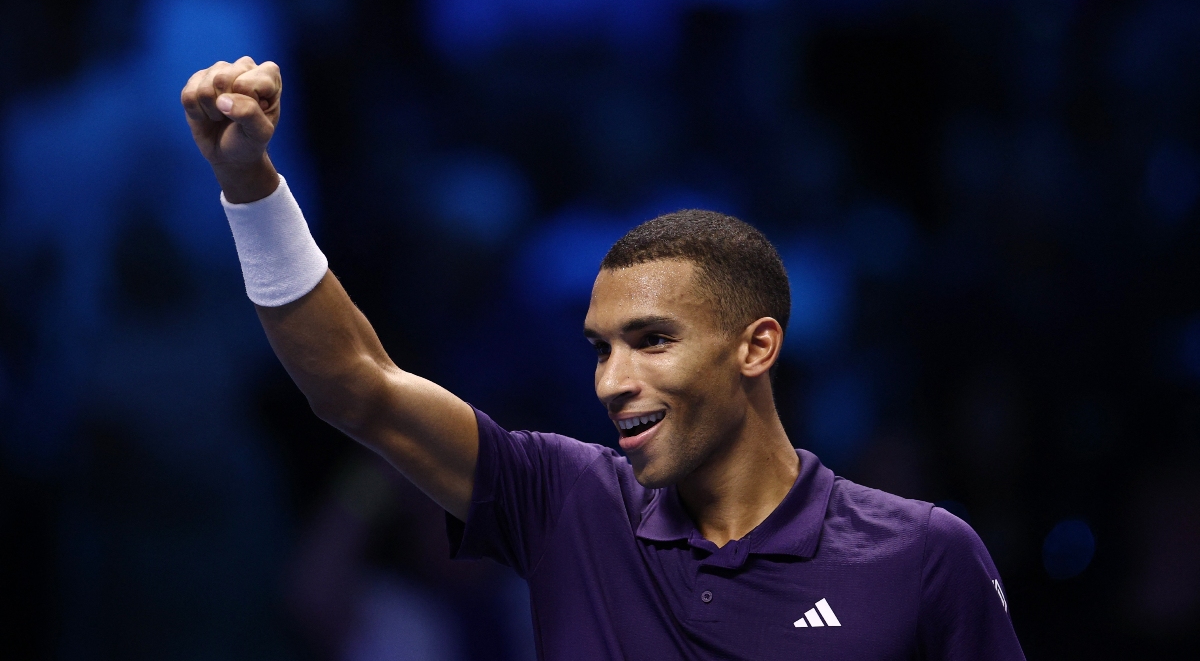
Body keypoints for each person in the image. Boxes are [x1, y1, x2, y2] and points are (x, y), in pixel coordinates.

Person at [181, 56, 1026, 660]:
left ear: (756, 346)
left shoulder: (924, 554)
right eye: (601, 350)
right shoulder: (568, 501)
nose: (614, 382)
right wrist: (251, 185)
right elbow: (356, 388)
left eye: (652, 341)